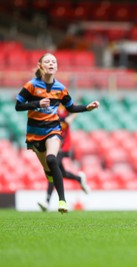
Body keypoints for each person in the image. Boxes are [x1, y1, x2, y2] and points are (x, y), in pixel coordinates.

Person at [16, 53, 100, 214]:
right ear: (41, 65)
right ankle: (50, 176)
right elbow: (18, 106)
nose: (51, 63)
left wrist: (86, 108)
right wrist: (36, 103)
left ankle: (62, 200)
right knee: (47, 169)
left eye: (54, 61)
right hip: (34, 133)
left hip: (53, 129)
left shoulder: (60, 88)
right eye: (47, 61)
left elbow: (71, 108)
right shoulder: (31, 86)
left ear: (57, 66)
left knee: (52, 158)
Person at [37, 105, 90, 212]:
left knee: (52, 169)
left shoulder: (62, 104)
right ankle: (79, 178)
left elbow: (75, 107)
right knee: (61, 172)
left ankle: (47, 201)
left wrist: (71, 117)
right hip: (53, 144)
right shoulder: (48, 108)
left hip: (63, 145)